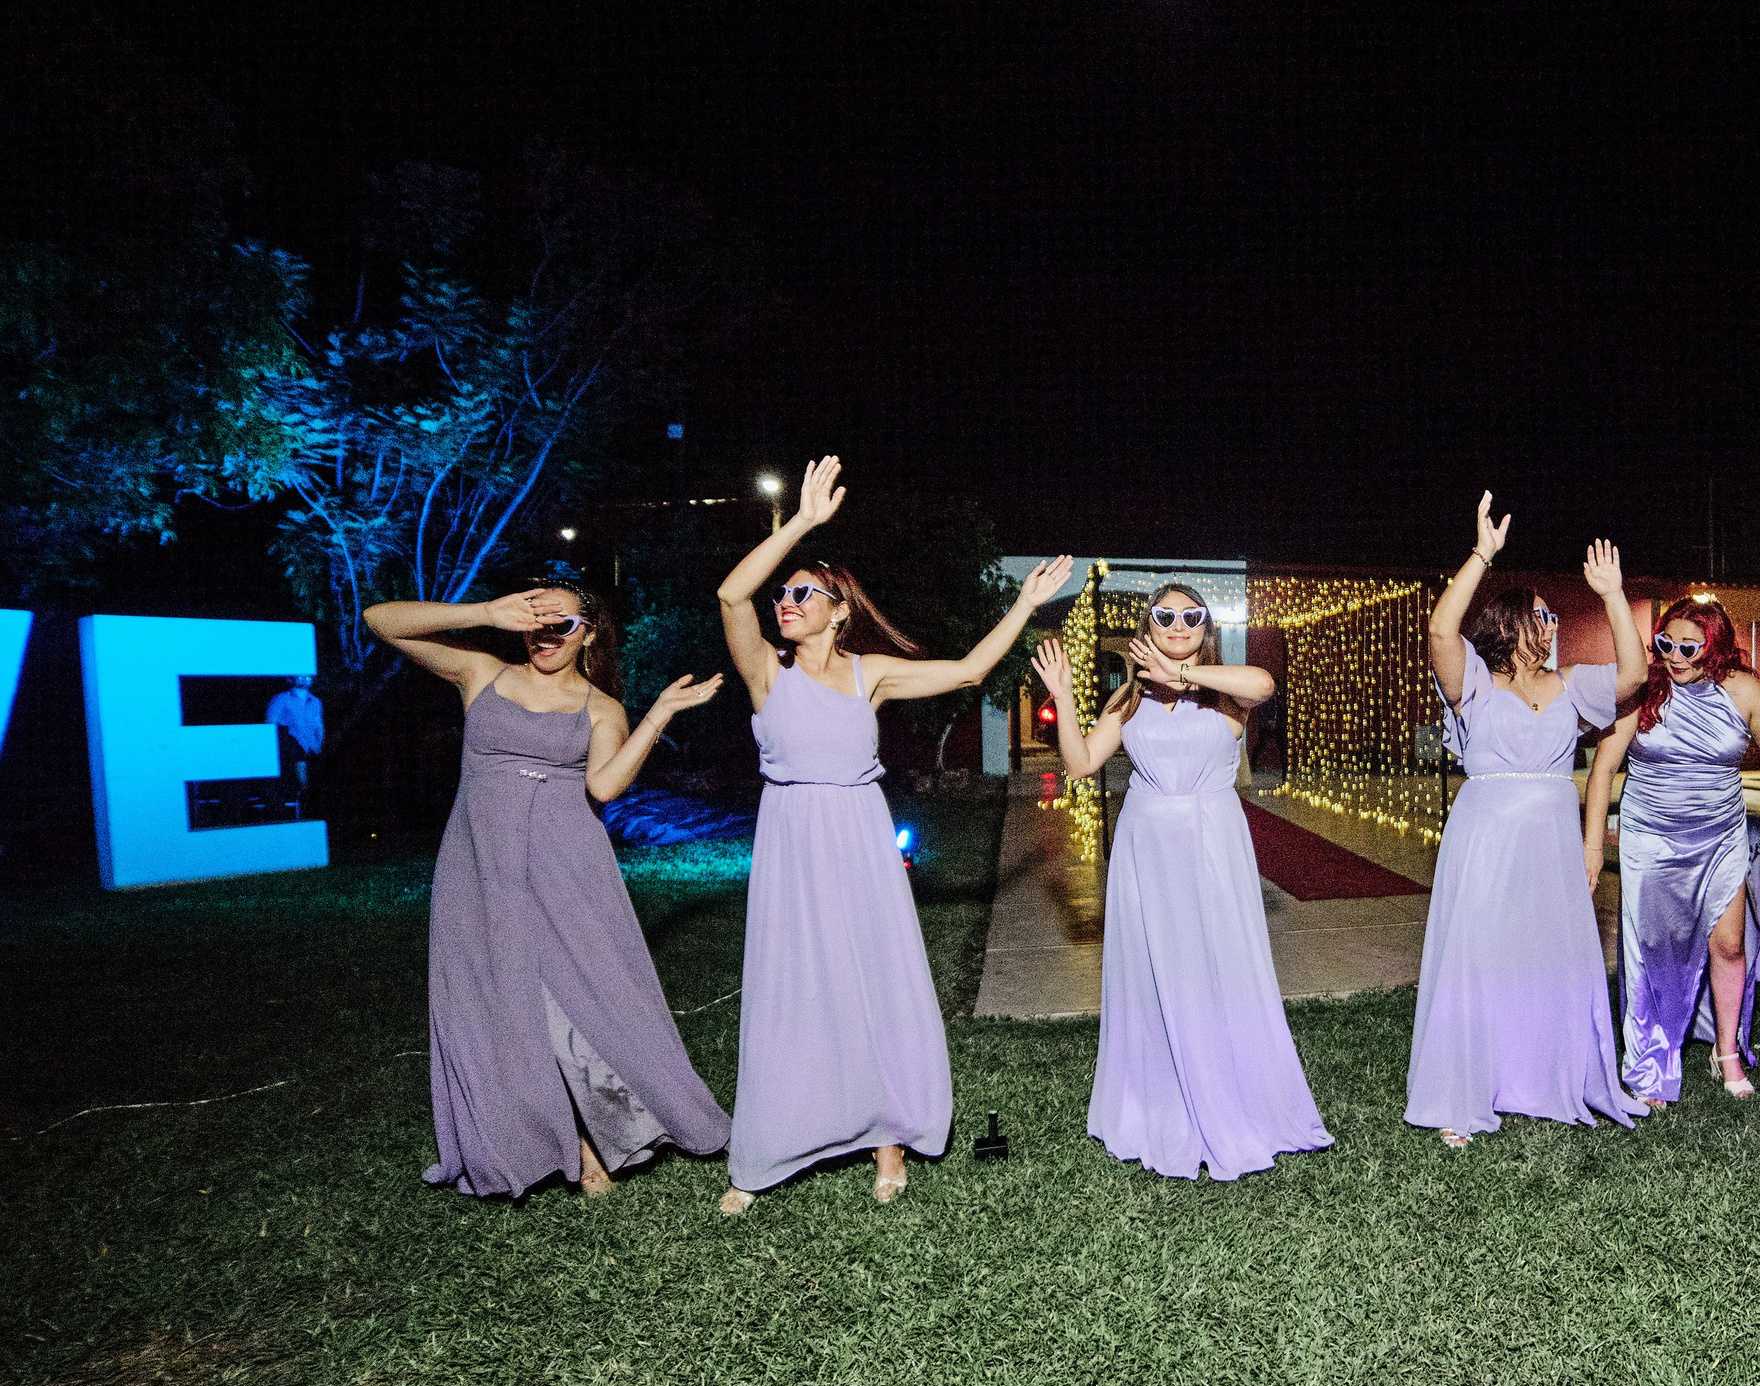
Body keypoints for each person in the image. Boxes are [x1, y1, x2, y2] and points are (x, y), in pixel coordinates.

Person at [715, 456, 1071, 1211]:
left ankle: (888, 1139)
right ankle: (769, 1148)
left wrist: (1024, 602)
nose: (786, 602)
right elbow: (729, 592)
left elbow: (974, 670)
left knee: (874, 978)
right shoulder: (766, 675)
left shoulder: (867, 673)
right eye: (785, 594)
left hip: (856, 834)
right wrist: (804, 526)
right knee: (793, 987)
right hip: (791, 838)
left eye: (803, 593)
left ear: (839, 609)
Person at [363, 585, 731, 1199]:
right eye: (535, 620)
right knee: (494, 999)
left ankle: (597, 1144)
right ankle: (535, 1142)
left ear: (588, 633)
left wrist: (658, 713)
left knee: (581, 997)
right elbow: (381, 620)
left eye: (561, 623)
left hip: (567, 861)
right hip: (480, 863)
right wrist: (482, 614)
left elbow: (607, 787)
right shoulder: (481, 671)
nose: (545, 633)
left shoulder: (601, 707)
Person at [1029, 586, 1332, 1180]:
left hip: (1211, 844)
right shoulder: (1128, 700)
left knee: (1216, 968)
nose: (1177, 624)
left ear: (1205, 629)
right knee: (1153, 972)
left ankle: (1231, 1097)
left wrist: (1183, 674)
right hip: (1146, 847)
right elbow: (1081, 763)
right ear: (1148, 625)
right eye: (1165, 616)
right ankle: (1158, 1104)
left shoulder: (1226, 692)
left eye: (1190, 617)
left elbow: (1265, 684)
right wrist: (1063, 697)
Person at [1405, 492, 1650, 1146]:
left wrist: (1613, 596)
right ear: (1512, 624)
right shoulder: (1475, 683)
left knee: (1548, 956)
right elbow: (1438, 631)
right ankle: (1465, 1093)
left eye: (1554, 617)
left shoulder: (1574, 684)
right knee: (1480, 954)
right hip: (1485, 836)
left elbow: (1634, 675)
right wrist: (1483, 553)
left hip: (1548, 836)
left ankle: (1545, 1076)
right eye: (1541, 615)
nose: (1552, 625)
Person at [1584, 597, 1760, 1103]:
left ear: (1714, 645)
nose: (1674, 656)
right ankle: (1650, 1062)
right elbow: (1604, 769)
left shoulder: (1744, 691)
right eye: (1665, 644)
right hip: (1652, 838)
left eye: (1688, 647)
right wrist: (1592, 847)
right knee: (1652, 953)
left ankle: (1727, 1050)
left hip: (1719, 836)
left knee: (1731, 944)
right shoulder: (1645, 689)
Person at [265, 674, 324, 813]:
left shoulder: (315, 702)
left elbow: (319, 725)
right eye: (300, 675)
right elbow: (270, 724)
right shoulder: (281, 699)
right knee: (297, 788)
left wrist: (320, 744)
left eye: (307, 676)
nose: (304, 678)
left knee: (313, 789)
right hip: (289, 753)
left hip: (311, 751)